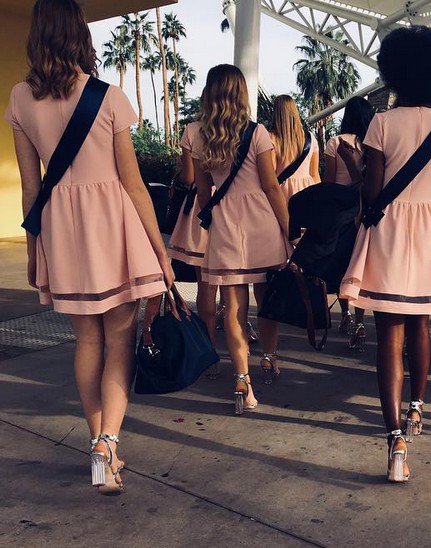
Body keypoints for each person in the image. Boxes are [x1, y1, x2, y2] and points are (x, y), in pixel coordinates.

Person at [6, 0, 173, 493]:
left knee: (87, 342)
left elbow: (31, 189)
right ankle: (108, 443)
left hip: (62, 230)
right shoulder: (108, 96)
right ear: (80, 33)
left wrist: (34, 250)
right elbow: (133, 183)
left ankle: (99, 446)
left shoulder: (20, 98)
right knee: (119, 340)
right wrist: (160, 252)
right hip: (114, 229)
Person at [340, 26, 431, 483]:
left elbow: (373, 191)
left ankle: (395, 439)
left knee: (389, 334)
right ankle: (417, 407)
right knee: (421, 324)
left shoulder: (382, 123)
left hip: (389, 232)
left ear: (394, 70)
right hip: (430, 228)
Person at [193, 64, 290, 412]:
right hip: (262, 225)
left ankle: (242, 380)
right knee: (268, 300)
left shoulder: (197, 134)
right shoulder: (258, 132)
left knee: (233, 308)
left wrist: (214, 219)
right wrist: (288, 228)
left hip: (226, 226)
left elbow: (203, 193)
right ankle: (269, 356)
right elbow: (271, 186)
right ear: (241, 93)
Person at [166, 120, 219, 376]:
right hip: (234, 206)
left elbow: (189, 177)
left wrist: (180, 170)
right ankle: (243, 354)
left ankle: (209, 353)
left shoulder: (193, 130)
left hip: (202, 205)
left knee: (205, 286)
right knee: (235, 288)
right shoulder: (245, 128)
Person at [324, 95, 374, 349]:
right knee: (359, 266)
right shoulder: (372, 142)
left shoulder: (335, 142)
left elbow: (330, 182)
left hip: (341, 210)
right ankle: (361, 321)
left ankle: (345, 314)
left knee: (343, 264)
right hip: (364, 209)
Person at [269, 94, 320, 205]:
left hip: (283, 193)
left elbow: (271, 176)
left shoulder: (271, 138)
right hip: (308, 192)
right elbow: (314, 174)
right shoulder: (310, 138)